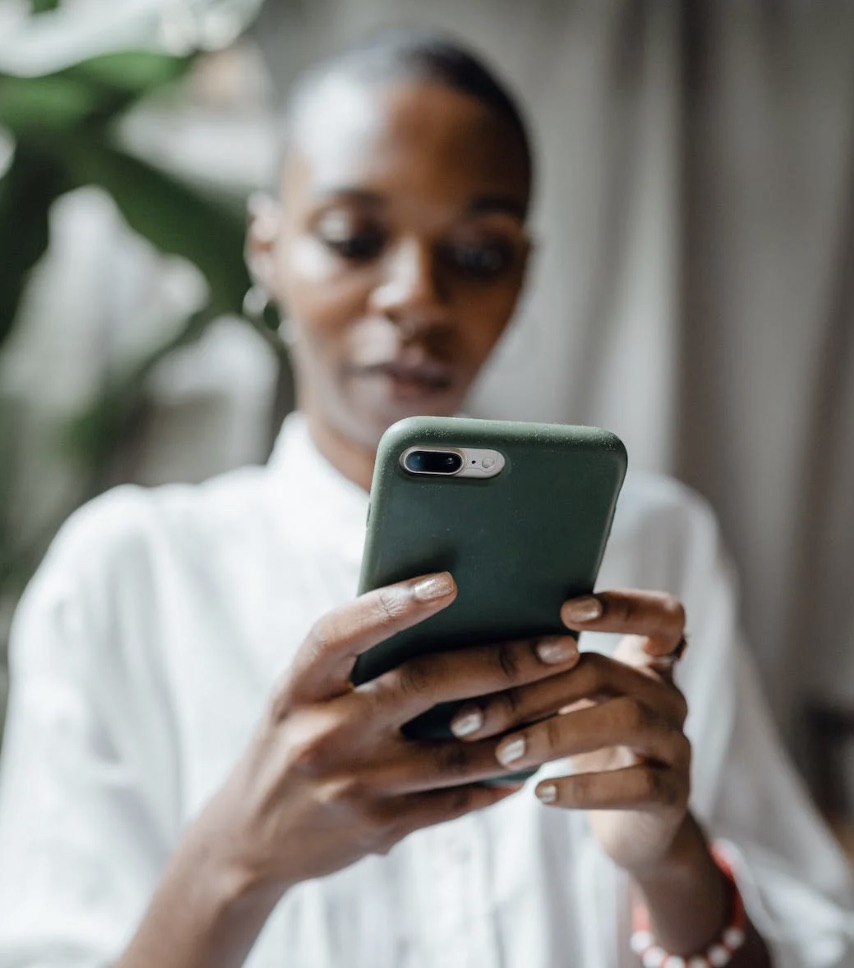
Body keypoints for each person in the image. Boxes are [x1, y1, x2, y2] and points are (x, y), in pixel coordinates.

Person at [0, 27, 852, 968]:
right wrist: (235, 860)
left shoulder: (653, 548)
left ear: (523, 276)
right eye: (355, 238)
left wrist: (670, 858)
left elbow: (808, 938)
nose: (416, 295)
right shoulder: (127, 575)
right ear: (269, 251)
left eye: (478, 255)